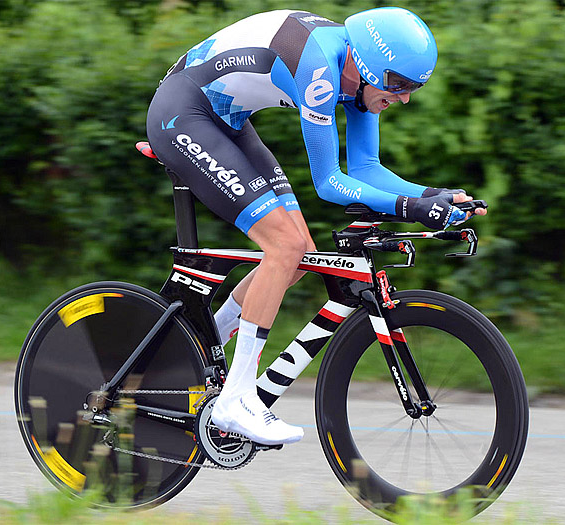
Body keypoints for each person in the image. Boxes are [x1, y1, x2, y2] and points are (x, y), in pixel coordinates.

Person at [146, 7, 486, 446]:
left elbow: (367, 168)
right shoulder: (320, 68)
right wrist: (411, 207)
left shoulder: (361, 79)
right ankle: (236, 400)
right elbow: (329, 183)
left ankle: (197, 345)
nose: (404, 98)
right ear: (364, 65)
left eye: (413, 87)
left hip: (225, 120)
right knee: (284, 247)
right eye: (399, 85)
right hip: (183, 114)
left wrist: (431, 197)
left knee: (300, 253)